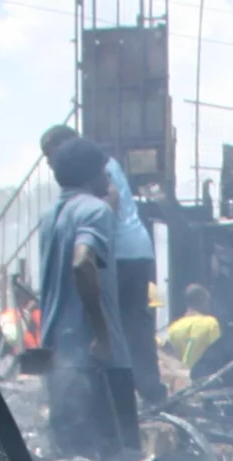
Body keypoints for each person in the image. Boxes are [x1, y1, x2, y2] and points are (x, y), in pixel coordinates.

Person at [41, 124, 160, 405]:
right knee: (128, 326)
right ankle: (143, 391)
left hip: (123, 253)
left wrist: (101, 231)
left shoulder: (97, 174)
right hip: (126, 251)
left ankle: (147, 392)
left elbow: (111, 200)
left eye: (50, 154)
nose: (49, 163)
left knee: (123, 326)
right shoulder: (73, 204)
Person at [37, 137, 133, 461]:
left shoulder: (49, 216)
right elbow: (82, 263)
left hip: (57, 358)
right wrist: (103, 336)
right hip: (95, 360)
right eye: (105, 172)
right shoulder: (95, 210)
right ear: (92, 175)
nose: (108, 179)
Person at [164, 284, 221, 370]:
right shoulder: (210, 323)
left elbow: (169, 357)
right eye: (208, 302)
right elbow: (217, 353)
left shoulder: (173, 327)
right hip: (204, 376)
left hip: (180, 376)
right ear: (203, 300)